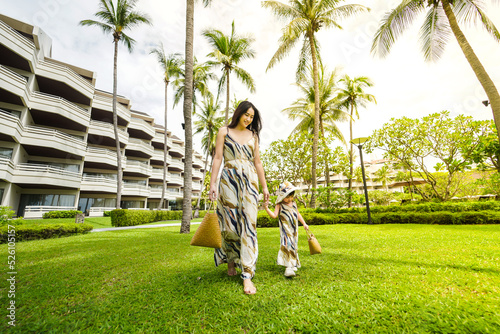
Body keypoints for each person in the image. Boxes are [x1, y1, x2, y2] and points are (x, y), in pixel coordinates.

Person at [209, 101, 270, 295]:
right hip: (228, 181)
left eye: (252, 117)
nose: (248, 119)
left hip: (250, 181)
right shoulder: (223, 131)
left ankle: (247, 274)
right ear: (239, 113)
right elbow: (218, 158)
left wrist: (265, 186)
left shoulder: (253, 135)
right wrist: (212, 183)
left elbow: (258, 162)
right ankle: (231, 260)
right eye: (246, 114)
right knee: (229, 224)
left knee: (249, 225)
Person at [263, 181, 309, 277]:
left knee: (293, 245)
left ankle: (293, 263)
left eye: (291, 196)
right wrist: (267, 209)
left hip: (294, 229)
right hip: (285, 230)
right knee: (287, 244)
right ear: (282, 196)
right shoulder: (279, 205)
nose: (289, 199)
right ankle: (288, 267)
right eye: (287, 197)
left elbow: (298, 214)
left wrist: (304, 223)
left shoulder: (294, 203)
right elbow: (274, 215)